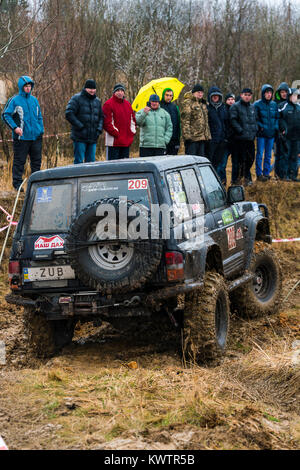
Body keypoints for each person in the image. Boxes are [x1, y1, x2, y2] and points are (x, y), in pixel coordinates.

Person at [1, 75, 44, 191]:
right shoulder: (14, 100)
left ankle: (36, 184)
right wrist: (15, 128)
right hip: (21, 138)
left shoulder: (34, 100)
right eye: (26, 86)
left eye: (30, 86)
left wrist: (41, 130)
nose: (28, 88)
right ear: (21, 87)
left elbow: (39, 116)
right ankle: (17, 185)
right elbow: (5, 115)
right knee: (20, 162)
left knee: (36, 162)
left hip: (36, 137)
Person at [65, 79, 103, 164]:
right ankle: (76, 177)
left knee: (91, 163)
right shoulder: (76, 98)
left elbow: (101, 117)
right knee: (79, 162)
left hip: (93, 137)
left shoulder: (97, 101)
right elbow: (69, 113)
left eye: (93, 89)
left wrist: (99, 129)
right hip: (79, 137)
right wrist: (80, 126)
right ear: (85, 88)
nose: (92, 90)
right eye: (90, 88)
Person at [229, 88, 258, 185]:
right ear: (241, 95)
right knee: (238, 161)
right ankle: (236, 181)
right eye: (245, 94)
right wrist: (240, 130)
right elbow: (233, 120)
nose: (247, 96)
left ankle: (245, 177)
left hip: (250, 139)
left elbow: (254, 120)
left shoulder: (252, 107)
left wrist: (255, 130)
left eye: (249, 95)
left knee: (250, 159)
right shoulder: (235, 106)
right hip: (238, 139)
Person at [102, 83, 136, 160]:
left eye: (122, 91)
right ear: (114, 92)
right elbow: (107, 123)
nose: (120, 92)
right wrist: (116, 134)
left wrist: (131, 132)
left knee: (124, 166)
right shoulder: (108, 104)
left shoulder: (127, 104)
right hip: (114, 142)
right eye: (118, 90)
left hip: (126, 142)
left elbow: (132, 120)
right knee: (112, 167)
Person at [254, 84, 279, 181]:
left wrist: (275, 127)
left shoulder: (274, 104)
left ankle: (266, 173)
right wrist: (261, 127)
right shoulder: (257, 104)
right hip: (261, 134)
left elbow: (277, 117)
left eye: (270, 93)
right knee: (260, 154)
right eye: (267, 93)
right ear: (263, 93)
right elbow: (255, 119)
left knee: (268, 155)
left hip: (271, 134)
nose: (269, 95)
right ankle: (259, 174)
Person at [181, 84, 211, 156]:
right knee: (191, 160)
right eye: (198, 92)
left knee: (200, 161)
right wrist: (187, 136)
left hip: (202, 138)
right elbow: (185, 121)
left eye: (201, 92)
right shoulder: (188, 103)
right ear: (193, 93)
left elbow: (206, 121)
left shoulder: (203, 104)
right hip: (192, 139)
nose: (200, 94)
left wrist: (207, 135)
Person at [278, 88, 300, 181]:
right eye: (294, 96)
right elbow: (279, 119)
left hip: (297, 137)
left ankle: (293, 175)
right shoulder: (282, 106)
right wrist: (283, 128)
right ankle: (284, 175)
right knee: (285, 155)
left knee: (294, 156)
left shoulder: (299, 106)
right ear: (289, 96)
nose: (295, 98)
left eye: (297, 96)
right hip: (286, 137)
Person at [216, 93, 238, 185]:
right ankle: (222, 182)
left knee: (236, 164)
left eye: (232, 99)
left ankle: (235, 181)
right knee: (222, 164)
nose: (230, 101)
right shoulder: (223, 110)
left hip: (236, 141)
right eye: (228, 99)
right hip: (225, 142)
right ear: (225, 101)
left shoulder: (237, 109)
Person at [207, 86, 229, 175]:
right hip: (211, 140)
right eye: (213, 96)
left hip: (222, 140)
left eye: (217, 96)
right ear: (210, 97)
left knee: (218, 162)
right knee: (209, 162)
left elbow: (226, 123)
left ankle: (216, 180)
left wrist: (225, 137)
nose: (215, 97)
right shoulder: (207, 108)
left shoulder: (223, 108)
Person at [273, 82, 290, 178]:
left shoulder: (290, 104)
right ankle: (278, 174)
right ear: (279, 93)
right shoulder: (275, 103)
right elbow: (276, 118)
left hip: (289, 133)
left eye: (285, 92)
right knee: (278, 154)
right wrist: (279, 130)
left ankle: (285, 174)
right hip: (277, 133)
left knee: (286, 154)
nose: (284, 94)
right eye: (282, 92)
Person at [160, 88, 181, 155]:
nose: (169, 97)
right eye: (167, 95)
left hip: (174, 139)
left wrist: (178, 139)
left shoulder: (175, 107)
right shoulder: (159, 106)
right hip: (164, 140)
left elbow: (178, 123)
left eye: (170, 95)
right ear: (163, 95)